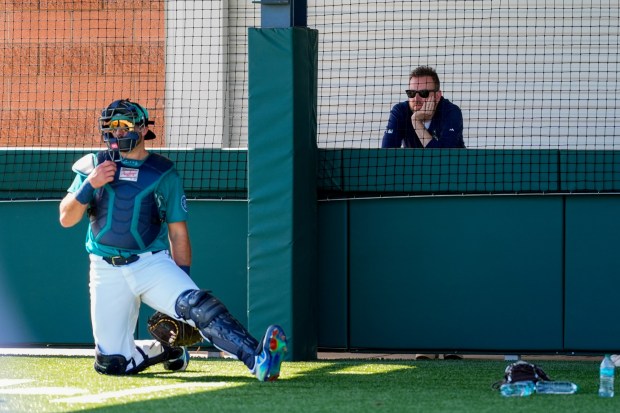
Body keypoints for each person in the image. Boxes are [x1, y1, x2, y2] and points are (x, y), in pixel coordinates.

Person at [59, 99, 287, 380]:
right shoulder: (92, 165)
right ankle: (167, 350)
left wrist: (184, 283)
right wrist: (89, 184)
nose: (117, 133)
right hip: (105, 269)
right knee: (111, 364)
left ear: (142, 128)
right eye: (111, 127)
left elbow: (178, 232)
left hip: (150, 264)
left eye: (124, 126)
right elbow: (66, 218)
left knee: (196, 306)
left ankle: (260, 359)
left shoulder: (164, 173)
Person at [381, 66, 465, 148]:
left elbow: (443, 156)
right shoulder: (400, 112)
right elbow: (386, 153)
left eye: (423, 93)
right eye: (411, 93)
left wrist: (416, 122)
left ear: (437, 96)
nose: (416, 99)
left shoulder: (451, 112)